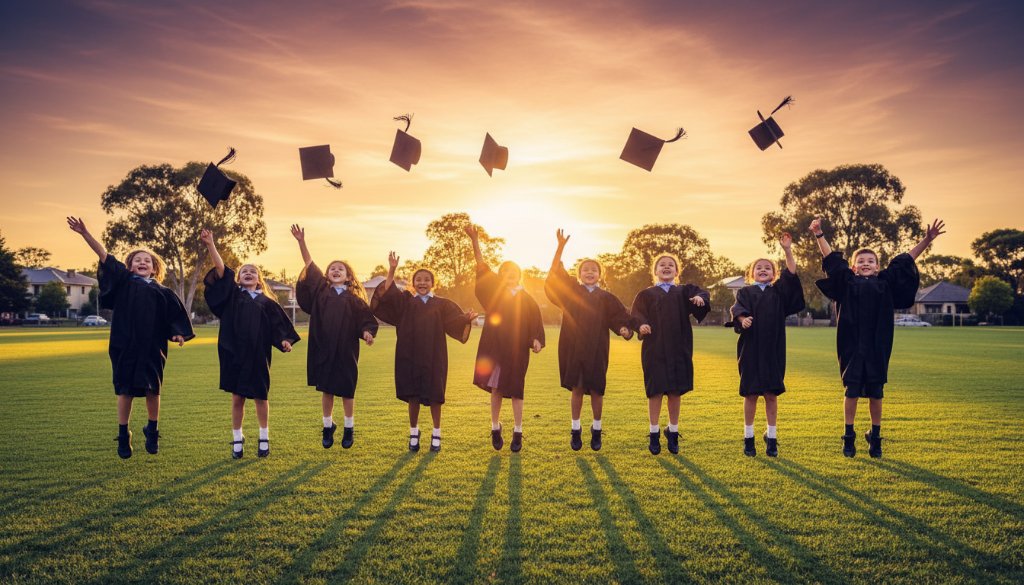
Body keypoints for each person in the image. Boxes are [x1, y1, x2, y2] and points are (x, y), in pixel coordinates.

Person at [812, 217, 944, 457]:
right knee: (851, 391)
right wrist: (820, 234)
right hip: (851, 346)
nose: (866, 263)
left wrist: (927, 240)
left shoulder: (885, 282)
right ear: (853, 266)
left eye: (870, 261)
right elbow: (831, 260)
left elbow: (906, 260)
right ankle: (849, 436)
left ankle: (875, 436)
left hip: (877, 347)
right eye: (861, 261)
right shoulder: (847, 282)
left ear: (877, 265)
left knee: (876, 392)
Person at [67, 216, 193, 459]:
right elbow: (104, 255)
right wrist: (85, 233)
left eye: (147, 260)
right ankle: (124, 434)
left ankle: (152, 429)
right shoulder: (124, 282)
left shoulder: (163, 292)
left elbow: (174, 317)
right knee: (125, 389)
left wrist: (178, 332)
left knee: (152, 390)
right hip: (124, 344)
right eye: (138, 260)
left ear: (155, 268)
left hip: (152, 348)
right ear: (130, 266)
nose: (143, 262)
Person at [201, 229, 299, 459]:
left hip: (258, 356)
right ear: (238, 278)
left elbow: (279, 327)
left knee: (261, 397)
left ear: (259, 279)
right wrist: (211, 245)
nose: (248, 273)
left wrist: (285, 340)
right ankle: (237, 438)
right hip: (234, 354)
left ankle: (263, 436)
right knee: (237, 398)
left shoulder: (267, 303)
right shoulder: (233, 296)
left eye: (253, 272)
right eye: (244, 271)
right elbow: (221, 271)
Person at [371, 251, 476, 452]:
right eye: (418, 279)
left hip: (434, 356)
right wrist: (392, 269)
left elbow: (455, 321)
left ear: (432, 283)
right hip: (409, 356)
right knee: (413, 395)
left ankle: (436, 433)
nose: (422, 283)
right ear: (413, 283)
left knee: (436, 395)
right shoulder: (406, 301)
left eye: (426, 280)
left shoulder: (442, 304)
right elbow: (387, 294)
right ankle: (413, 432)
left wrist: (466, 319)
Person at [544, 229, 633, 451]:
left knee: (596, 390)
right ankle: (575, 430)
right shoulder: (571, 291)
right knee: (577, 387)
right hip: (573, 347)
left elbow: (619, 318)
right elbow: (555, 274)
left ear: (600, 274)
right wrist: (560, 247)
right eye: (585, 269)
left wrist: (624, 329)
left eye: (594, 270)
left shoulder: (607, 298)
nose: (590, 272)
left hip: (597, 349)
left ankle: (596, 428)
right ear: (579, 274)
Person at [292, 224, 378, 449]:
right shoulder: (321, 291)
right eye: (332, 269)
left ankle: (349, 428)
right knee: (327, 390)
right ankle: (328, 425)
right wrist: (302, 242)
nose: (336, 270)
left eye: (341, 268)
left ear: (348, 276)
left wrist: (368, 333)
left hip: (346, 352)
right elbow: (310, 266)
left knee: (347, 391)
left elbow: (366, 321)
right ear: (328, 276)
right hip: (324, 348)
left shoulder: (355, 300)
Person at [465, 225, 545, 453]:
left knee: (517, 391)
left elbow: (535, 324)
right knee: (497, 388)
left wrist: (537, 340)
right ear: (500, 276)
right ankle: (495, 426)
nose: (509, 277)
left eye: (514, 273)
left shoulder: (527, 299)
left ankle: (518, 431)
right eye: (505, 273)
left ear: (520, 275)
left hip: (517, 351)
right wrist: (475, 241)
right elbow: (481, 267)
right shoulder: (494, 293)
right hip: (495, 348)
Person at [729, 233, 805, 457]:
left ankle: (771, 438)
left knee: (771, 394)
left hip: (773, 350)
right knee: (750, 394)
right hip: (751, 349)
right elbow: (736, 311)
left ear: (774, 274)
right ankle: (749, 437)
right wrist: (743, 319)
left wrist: (787, 250)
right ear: (751, 274)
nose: (763, 270)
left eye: (767, 268)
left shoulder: (778, 292)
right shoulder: (745, 292)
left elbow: (792, 273)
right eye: (759, 268)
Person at [630, 254, 710, 455]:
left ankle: (673, 432)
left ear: (677, 271)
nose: (666, 267)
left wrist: (700, 298)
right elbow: (636, 315)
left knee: (675, 391)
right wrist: (642, 325)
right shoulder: (646, 294)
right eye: (662, 265)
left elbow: (701, 293)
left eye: (671, 265)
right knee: (655, 391)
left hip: (678, 347)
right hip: (654, 348)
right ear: (655, 271)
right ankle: (654, 433)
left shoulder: (683, 292)